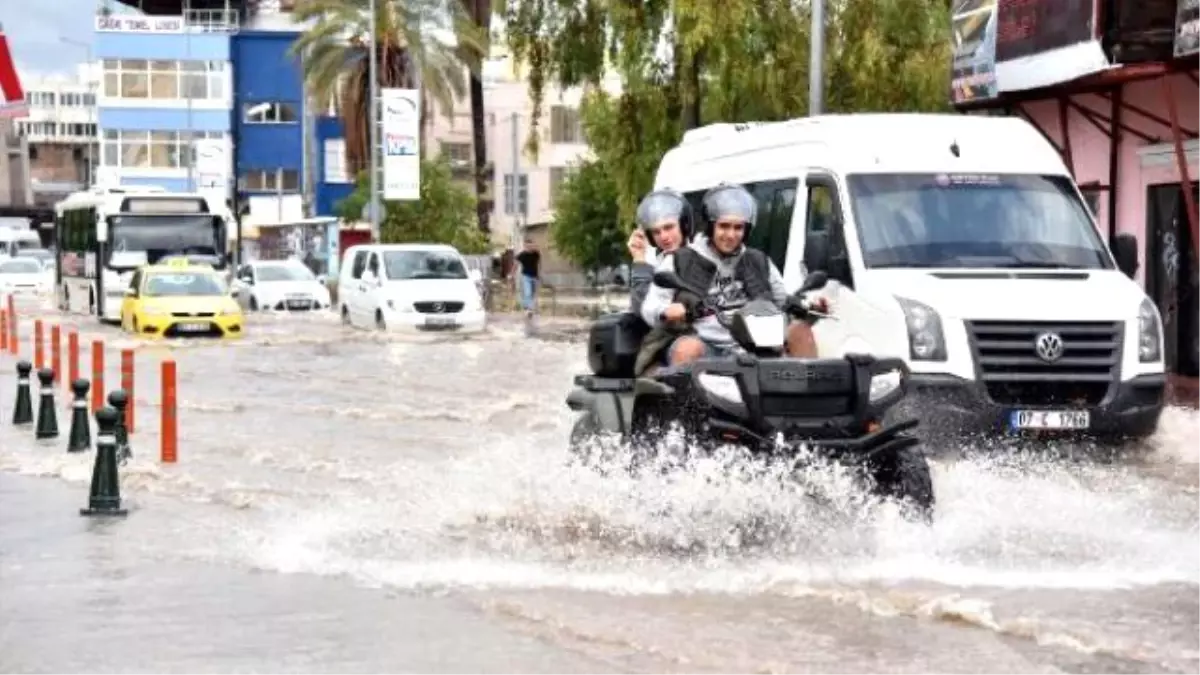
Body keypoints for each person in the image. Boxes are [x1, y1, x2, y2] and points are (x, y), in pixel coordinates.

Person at [640, 182, 822, 365]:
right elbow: (650, 308)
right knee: (687, 348)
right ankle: (684, 394)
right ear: (711, 227)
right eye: (724, 226)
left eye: (738, 228)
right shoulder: (681, 260)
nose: (731, 235)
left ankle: (811, 392)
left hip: (756, 346)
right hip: (706, 346)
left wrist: (810, 309)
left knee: (800, 331)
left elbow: (782, 304)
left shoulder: (758, 261)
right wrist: (666, 311)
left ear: (747, 229)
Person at [627, 189, 692, 375]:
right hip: (668, 346)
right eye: (656, 232)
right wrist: (639, 259)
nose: (663, 236)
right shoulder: (659, 263)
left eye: (669, 227)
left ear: (684, 225)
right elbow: (643, 309)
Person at [514, 238, 541, 315]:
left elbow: (538, 264)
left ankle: (526, 307)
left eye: (531, 245)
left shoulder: (536, 254)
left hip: (534, 276)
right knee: (527, 292)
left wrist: (539, 274)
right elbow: (515, 265)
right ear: (525, 246)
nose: (529, 247)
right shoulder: (522, 255)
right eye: (527, 246)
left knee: (532, 293)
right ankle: (529, 309)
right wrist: (511, 274)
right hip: (525, 276)